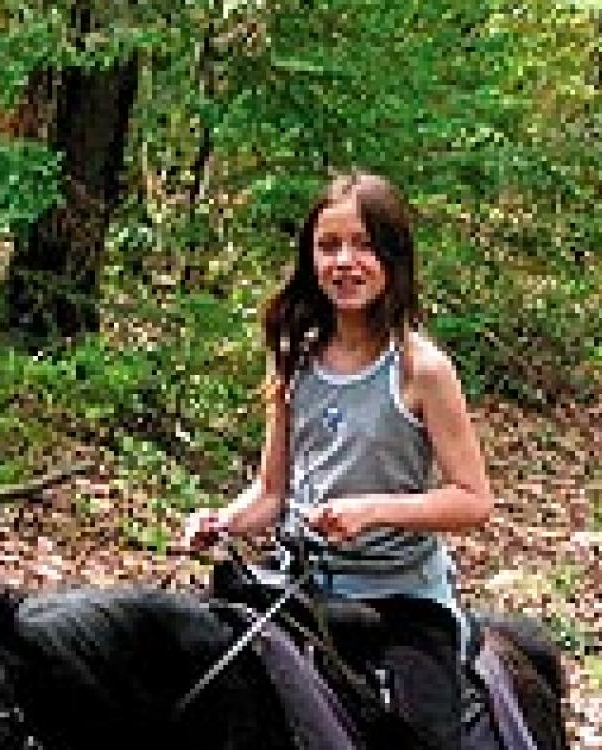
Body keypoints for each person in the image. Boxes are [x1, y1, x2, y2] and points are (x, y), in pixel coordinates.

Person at [183, 171, 494, 749]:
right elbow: (271, 493)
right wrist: (222, 522)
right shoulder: (293, 356)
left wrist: (371, 511)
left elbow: (473, 500)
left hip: (400, 599)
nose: (345, 262)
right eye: (329, 246)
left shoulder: (422, 369)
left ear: (392, 258)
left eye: (364, 245)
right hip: (296, 585)